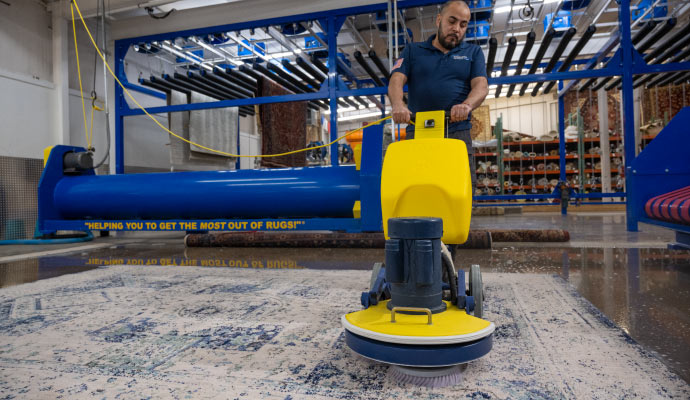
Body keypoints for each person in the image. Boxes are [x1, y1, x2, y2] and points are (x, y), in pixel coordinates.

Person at [388, 0, 489, 188]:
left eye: (463, 24)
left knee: (460, 190)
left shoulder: (473, 52)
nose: (457, 29)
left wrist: (466, 105)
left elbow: (481, 86)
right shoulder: (412, 51)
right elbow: (396, 80)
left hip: (457, 131)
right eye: (452, 21)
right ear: (438, 20)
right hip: (419, 131)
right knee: (418, 188)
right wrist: (398, 105)